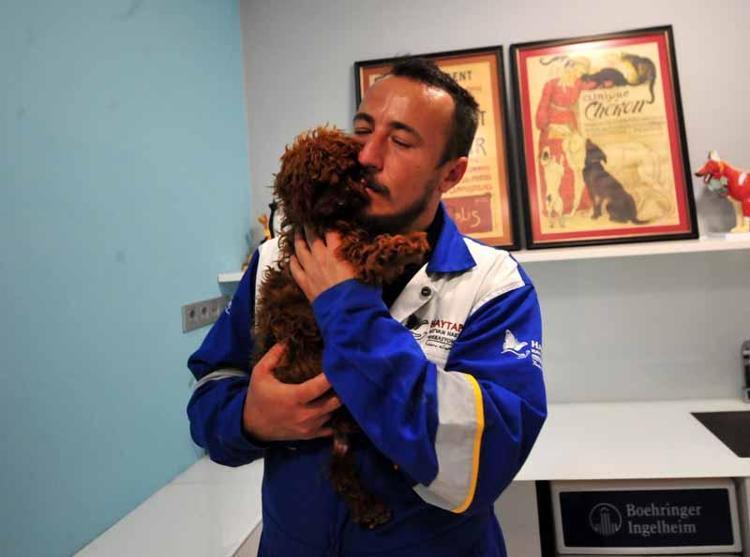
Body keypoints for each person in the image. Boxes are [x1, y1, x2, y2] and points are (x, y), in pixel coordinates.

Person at [187, 57, 546, 557]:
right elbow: (211, 386)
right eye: (361, 130)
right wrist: (249, 418)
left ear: (451, 173)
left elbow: (486, 457)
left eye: (401, 141)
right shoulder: (275, 259)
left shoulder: (491, 283)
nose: (367, 156)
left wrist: (347, 307)